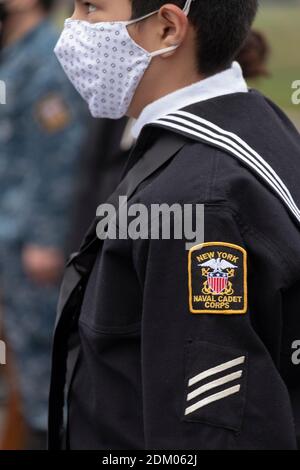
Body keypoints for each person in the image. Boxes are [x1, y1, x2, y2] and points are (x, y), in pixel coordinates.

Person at [49, 0, 300, 450]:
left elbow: (208, 431)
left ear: (168, 29)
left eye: (91, 9)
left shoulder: (197, 199)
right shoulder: (251, 121)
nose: (72, 29)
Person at [0, 0, 87, 448]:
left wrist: (48, 240)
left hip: (32, 249)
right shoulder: (15, 57)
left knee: (45, 370)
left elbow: (61, 156)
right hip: (11, 242)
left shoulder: (46, 59)